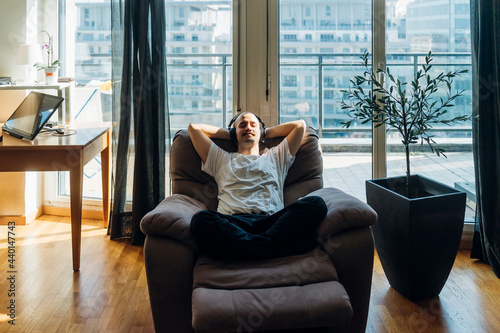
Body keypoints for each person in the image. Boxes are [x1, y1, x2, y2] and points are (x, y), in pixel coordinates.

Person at [188, 112, 327, 260]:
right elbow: (193, 128)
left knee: (316, 204)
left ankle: (248, 249)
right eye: (242, 125)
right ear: (235, 134)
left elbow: (299, 125)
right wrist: (231, 133)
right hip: (234, 223)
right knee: (201, 219)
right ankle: (274, 249)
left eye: (253, 125)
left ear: (261, 133)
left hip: (272, 222)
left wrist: (264, 132)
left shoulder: (276, 156)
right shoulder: (221, 158)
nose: (248, 128)